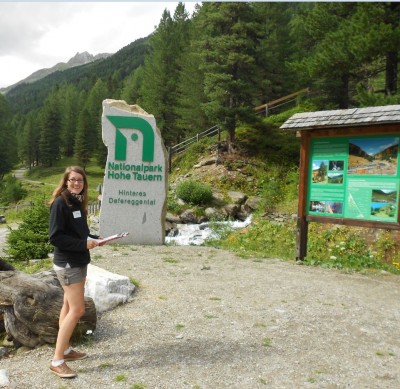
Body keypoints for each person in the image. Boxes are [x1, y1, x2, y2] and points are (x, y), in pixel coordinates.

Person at [48, 166, 100, 378]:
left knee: (68, 305)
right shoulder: (60, 203)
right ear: (66, 182)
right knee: (77, 310)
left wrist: (97, 238)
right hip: (68, 264)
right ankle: (56, 361)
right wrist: (83, 245)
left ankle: (66, 350)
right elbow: (55, 237)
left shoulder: (78, 202)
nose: (77, 183)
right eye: (73, 180)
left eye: (80, 180)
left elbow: (81, 233)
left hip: (79, 261)